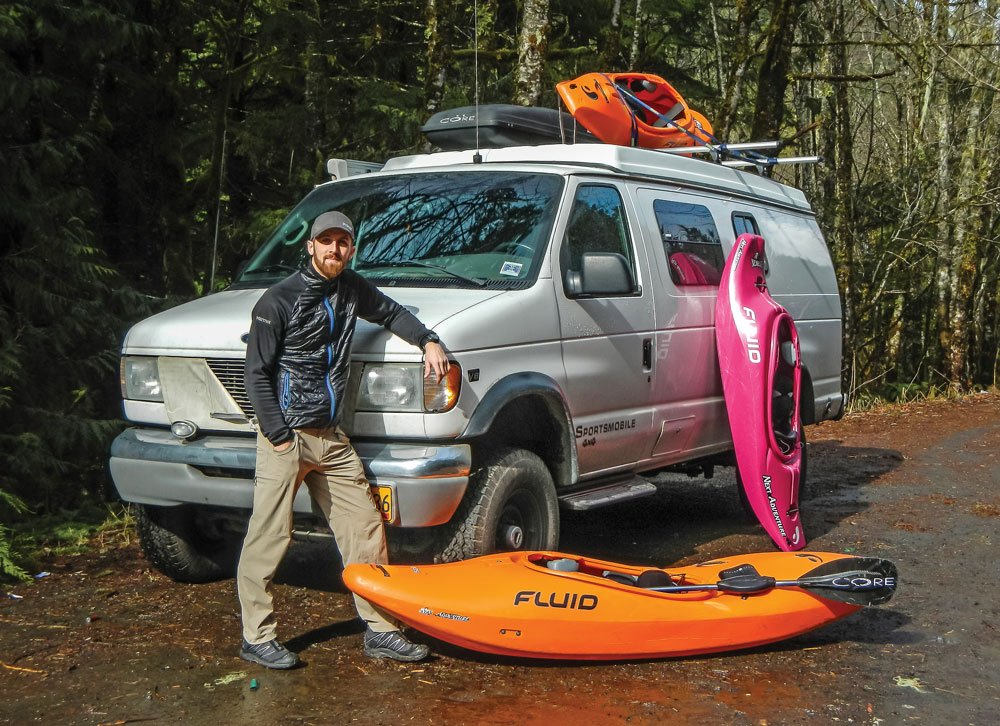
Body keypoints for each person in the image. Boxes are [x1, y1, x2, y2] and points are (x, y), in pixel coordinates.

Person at [237, 210, 449, 669]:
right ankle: (257, 636)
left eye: (343, 242)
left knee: (365, 531)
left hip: (331, 438)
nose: (335, 249)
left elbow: (392, 312)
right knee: (269, 535)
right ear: (310, 246)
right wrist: (276, 435)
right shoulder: (278, 301)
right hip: (286, 435)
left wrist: (428, 340)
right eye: (326, 241)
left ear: (351, 248)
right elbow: (255, 374)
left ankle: (381, 630)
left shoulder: (352, 288)